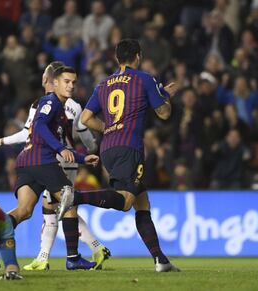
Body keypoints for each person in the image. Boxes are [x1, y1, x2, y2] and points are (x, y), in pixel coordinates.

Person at [57, 39, 180, 272]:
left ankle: (160, 259)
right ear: (138, 56)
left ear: (116, 59)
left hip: (108, 148)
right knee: (125, 201)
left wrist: (110, 128)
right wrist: (165, 96)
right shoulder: (145, 78)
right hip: (129, 147)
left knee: (142, 203)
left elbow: (85, 118)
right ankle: (76, 198)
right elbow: (163, 113)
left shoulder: (103, 84)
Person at [0, 62, 110, 271]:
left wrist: (83, 159)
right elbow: (39, 128)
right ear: (53, 83)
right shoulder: (51, 102)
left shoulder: (42, 103)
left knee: (25, 210)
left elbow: (30, 132)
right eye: (66, 82)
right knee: (68, 202)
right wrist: (62, 149)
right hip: (46, 162)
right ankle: (74, 257)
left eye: (73, 82)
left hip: (27, 162)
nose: (71, 86)